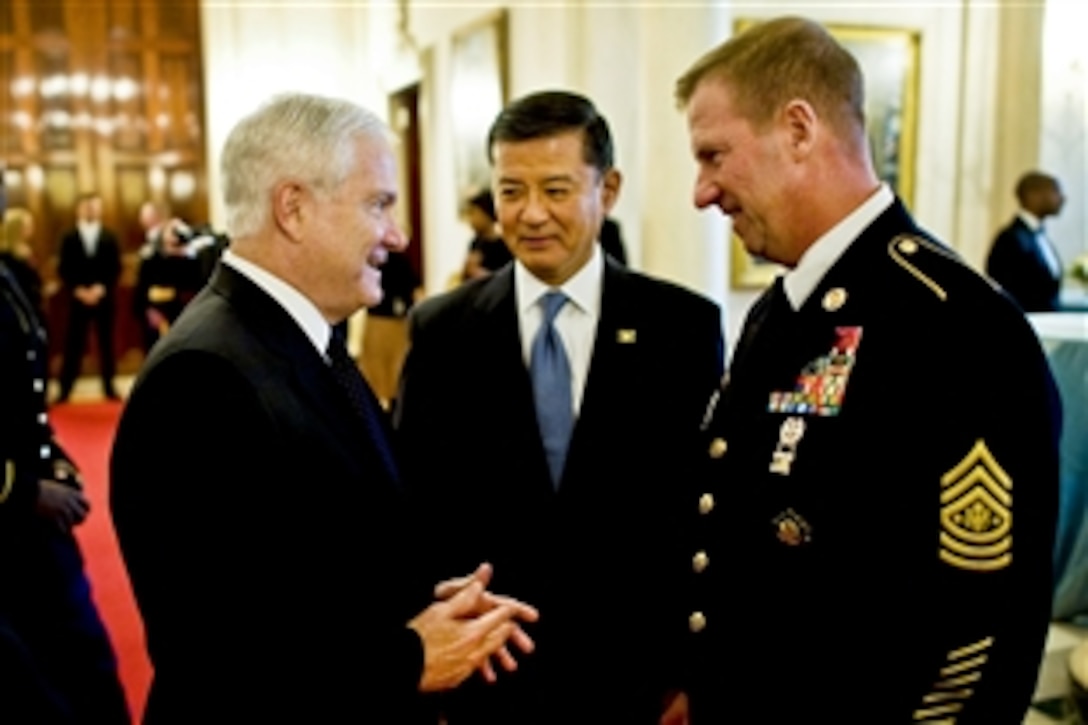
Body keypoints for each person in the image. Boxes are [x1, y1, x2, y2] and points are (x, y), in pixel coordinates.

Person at [674, 16, 1060, 723]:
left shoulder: (956, 323)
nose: (702, 191)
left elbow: (979, 620)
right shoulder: (780, 311)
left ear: (797, 129)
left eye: (714, 155)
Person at [109, 92, 539, 723]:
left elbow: (305, 565)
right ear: (293, 208)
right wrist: (411, 657)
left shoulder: (298, 338)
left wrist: (418, 603)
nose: (398, 234)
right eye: (378, 204)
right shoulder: (203, 377)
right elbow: (215, 654)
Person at [395, 90, 724, 724]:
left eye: (556, 189)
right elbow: (418, 507)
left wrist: (691, 675)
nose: (531, 214)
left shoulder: (682, 328)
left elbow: (704, 513)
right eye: (511, 191)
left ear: (609, 189)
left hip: (635, 685)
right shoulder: (443, 330)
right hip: (491, 679)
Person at [0, 173, 131, 724]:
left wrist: (54, 458)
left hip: (34, 523)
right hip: (9, 522)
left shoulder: (5, 275)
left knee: (88, 671)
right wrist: (26, 489)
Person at [56, 191, 122, 402]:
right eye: (87, 206)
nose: (92, 210)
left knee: (106, 344)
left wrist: (101, 288)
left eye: (95, 206)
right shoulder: (68, 237)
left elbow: (115, 267)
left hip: (103, 297)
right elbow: (63, 267)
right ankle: (65, 388)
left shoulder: (110, 237)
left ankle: (109, 387)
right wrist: (79, 290)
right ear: (79, 209)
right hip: (78, 299)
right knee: (73, 344)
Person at [986, 171, 1067, 312]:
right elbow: (1003, 291)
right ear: (1033, 195)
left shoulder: (1040, 236)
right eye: (1055, 191)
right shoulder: (1010, 239)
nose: (1062, 198)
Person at [360, 249, 422, 409]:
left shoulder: (393, 259)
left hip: (391, 321)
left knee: (392, 373)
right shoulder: (376, 257)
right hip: (382, 320)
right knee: (381, 373)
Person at [458, 188, 512, 283]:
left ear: (486, 214)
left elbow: (508, 281)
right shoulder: (476, 242)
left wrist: (480, 274)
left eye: (474, 213)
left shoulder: (505, 244)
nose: (471, 220)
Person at [1, 206, 45, 315]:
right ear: (17, 228)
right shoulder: (5, 255)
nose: (32, 228)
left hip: (34, 303)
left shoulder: (27, 250)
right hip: (19, 306)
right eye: (27, 225)